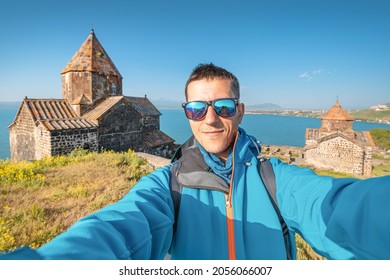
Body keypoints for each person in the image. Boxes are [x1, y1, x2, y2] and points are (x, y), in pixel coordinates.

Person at [1, 63, 390, 260]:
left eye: (222, 106)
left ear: (239, 110)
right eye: (195, 107)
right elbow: (121, 228)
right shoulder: (167, 186)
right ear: (186, 112)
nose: (210, 118)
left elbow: (337, 206)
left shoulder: (276, 180)